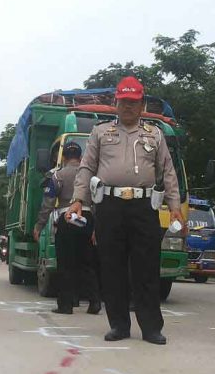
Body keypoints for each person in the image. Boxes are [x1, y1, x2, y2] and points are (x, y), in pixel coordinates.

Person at [67, 76, 183, 345]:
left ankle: (151, 327)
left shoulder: (154, 134)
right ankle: (119, 325)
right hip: (110, 205)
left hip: (144, 206)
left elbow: (167, 171)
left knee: (147, 267)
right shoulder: (100, 132)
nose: (128, 107)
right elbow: (87, 167)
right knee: (112, 267)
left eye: (133, 102)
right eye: (123, 102)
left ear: (141, 104)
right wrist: (78, 200)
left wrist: (175, 206)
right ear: (115, 103)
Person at [34, 141, 101, 315]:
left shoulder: (57, 176)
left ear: (63, 157)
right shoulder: (92, 176)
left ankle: (66, 304)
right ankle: (94, 302)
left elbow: (48, 202)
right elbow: (99, 202)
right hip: (88, 218)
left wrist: (39, 225)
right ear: (80, 157)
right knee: (88, 263)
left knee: (66, 263)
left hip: (67, 216)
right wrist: (97, 227)